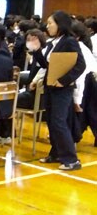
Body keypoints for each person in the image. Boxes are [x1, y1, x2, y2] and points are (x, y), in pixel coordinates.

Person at [30, 11, 86, 170]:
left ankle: (72, 159)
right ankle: (55, 153)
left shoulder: (69, 41)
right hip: (50, 86)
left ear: (60, 24)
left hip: (62, 89)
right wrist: (36, 51)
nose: (47, 26)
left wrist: (64, 81)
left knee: (59, 122)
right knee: (52, 121)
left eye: (50, 23)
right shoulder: (54, 41)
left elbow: (80, 65)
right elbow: (48, 65)